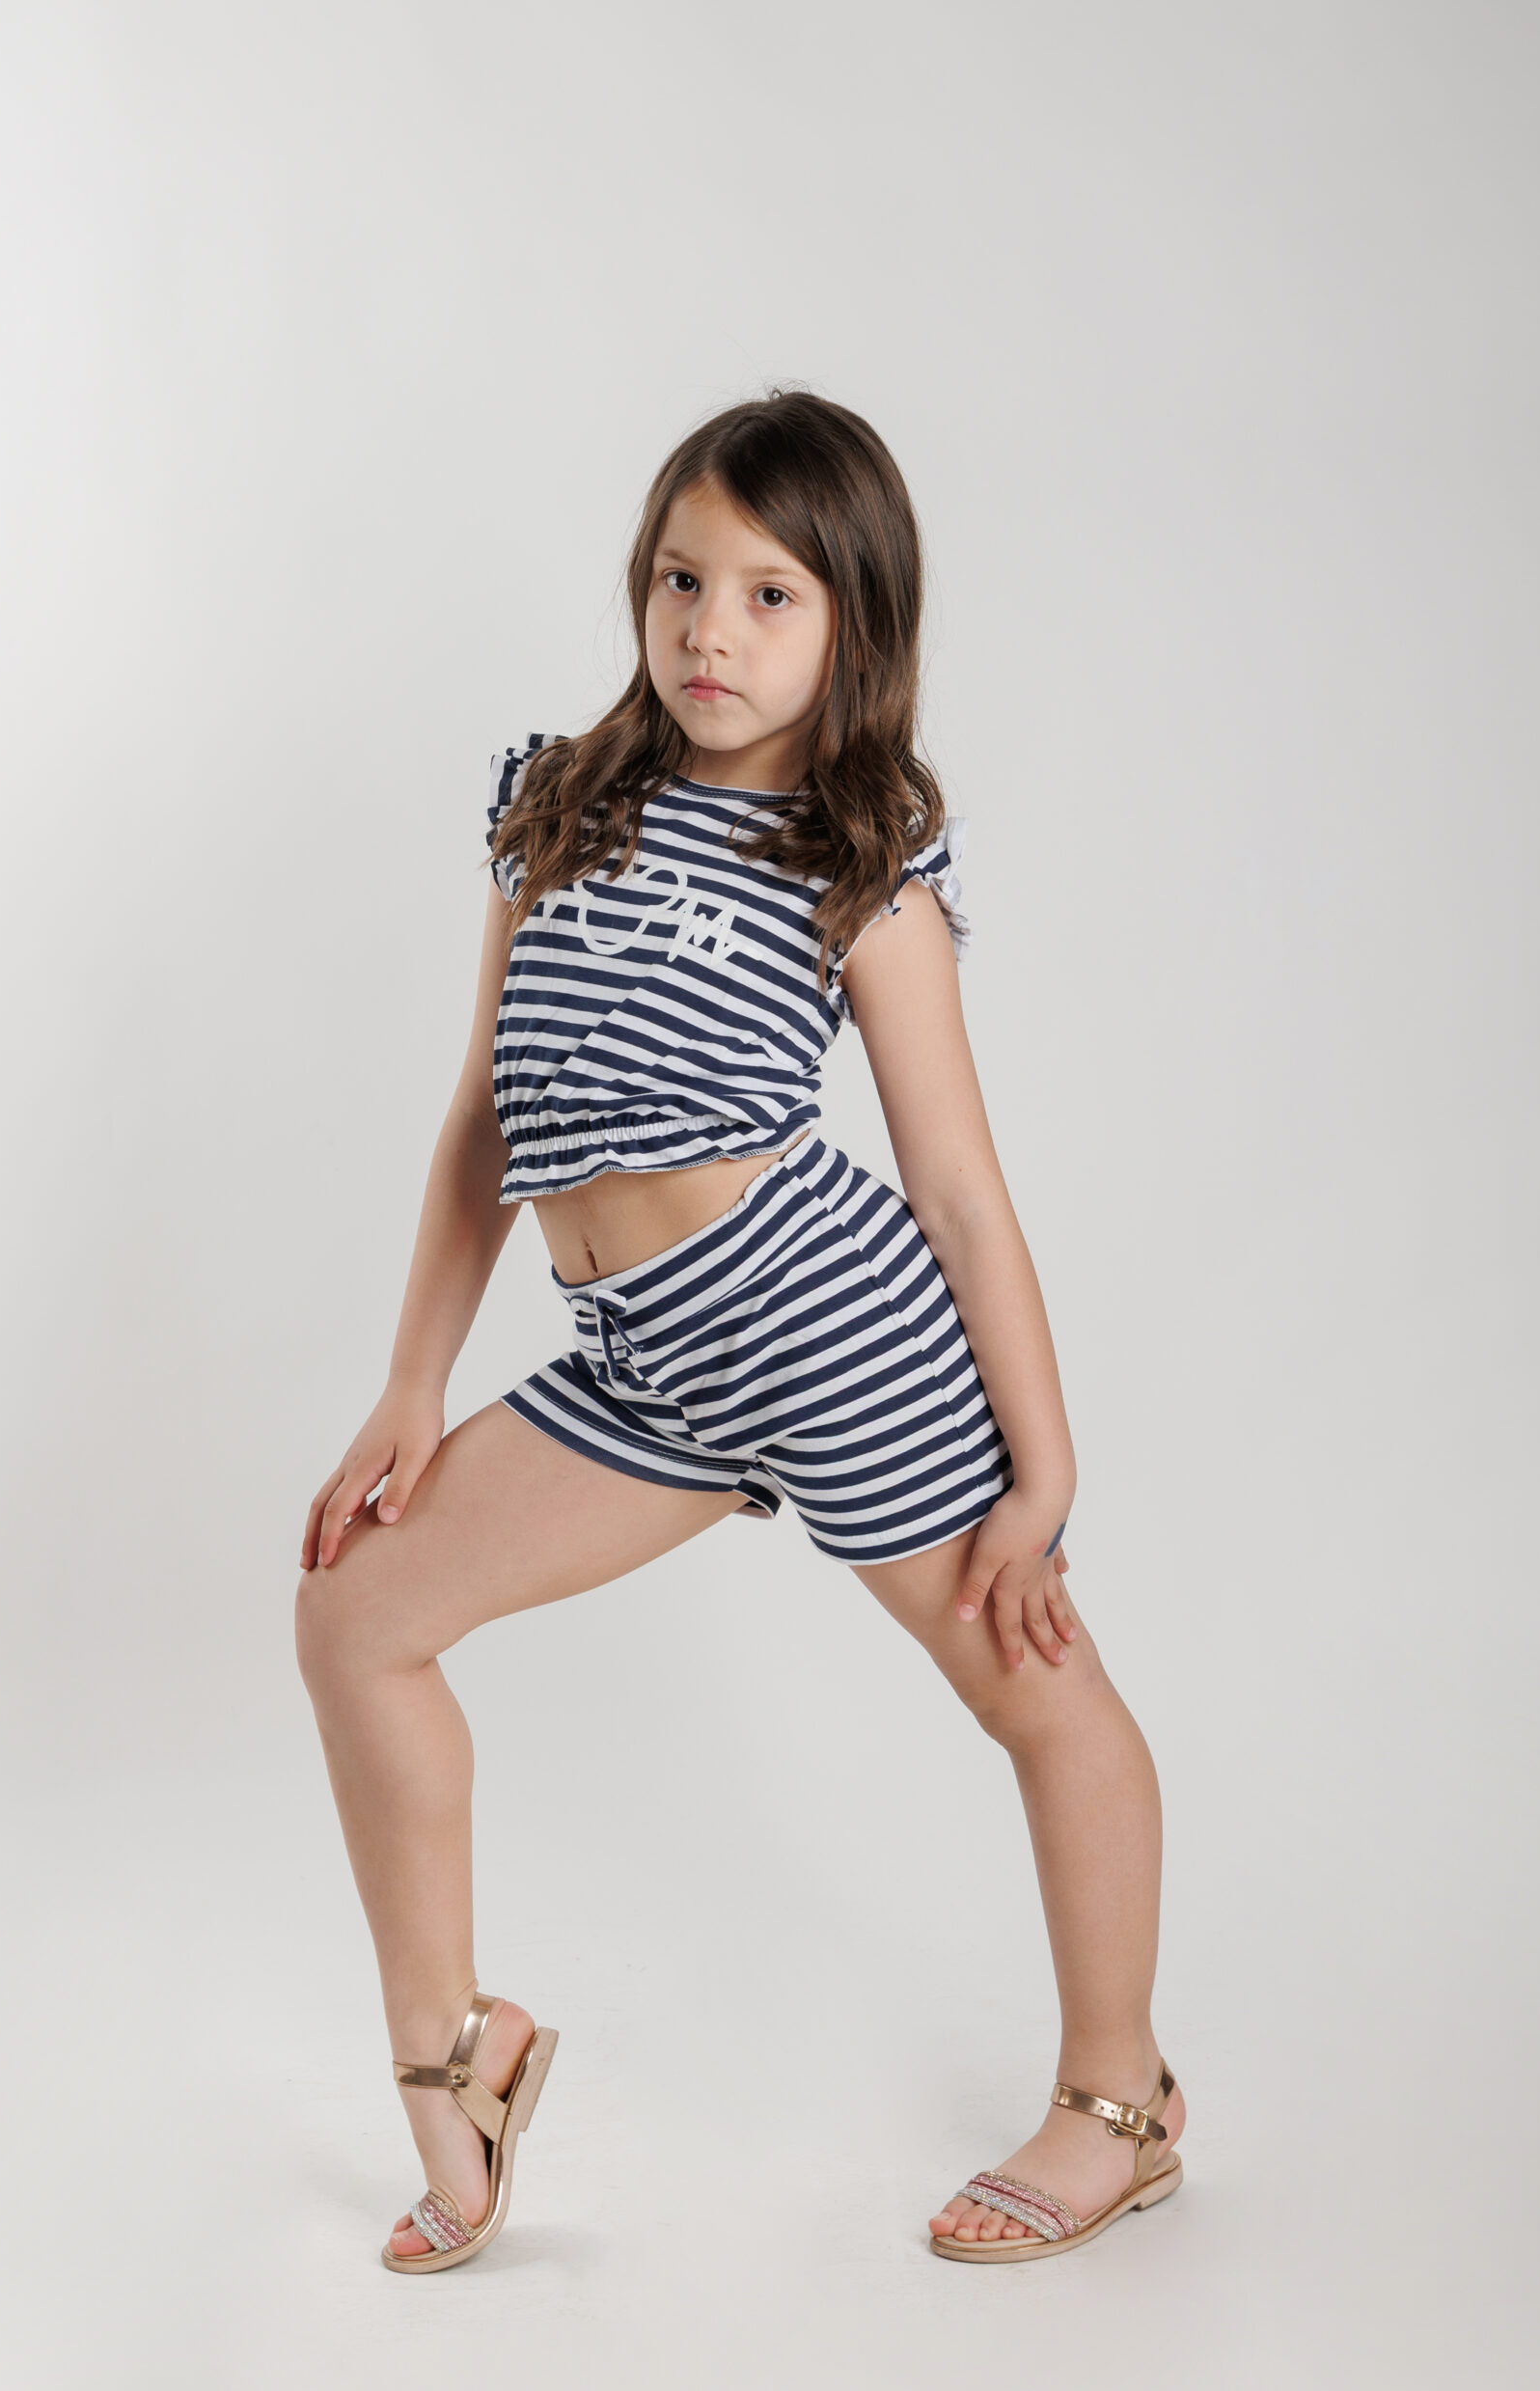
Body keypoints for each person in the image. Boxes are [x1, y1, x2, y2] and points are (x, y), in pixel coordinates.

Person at [295, 389, 1183, 2273]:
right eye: (681, 580)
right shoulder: (555, 803)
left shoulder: (857, 863)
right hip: (642, 1365)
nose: (711, 630)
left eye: (770, 595)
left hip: (827, 1331)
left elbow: (959, 1190)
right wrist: (411, 1379)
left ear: (853, 621)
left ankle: (1120, 2101)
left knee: (1037, 1690)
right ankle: (456, 2063)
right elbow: (487, 1116)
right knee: (356, 1615)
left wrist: (1043, 1472)